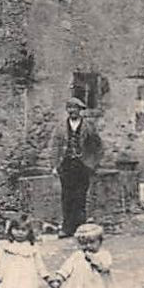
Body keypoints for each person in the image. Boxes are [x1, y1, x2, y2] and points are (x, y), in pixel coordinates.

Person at [52, 97, 103, 238]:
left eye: (75, 108)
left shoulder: (89, 126)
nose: (72, 110)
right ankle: (67, 228)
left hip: (83, 165)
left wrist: (93, 164)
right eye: (69, 108)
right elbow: (55, 147)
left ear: (80, 110)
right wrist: (54, 166)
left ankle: (80, 228)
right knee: (67, 197)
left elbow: (98, 146)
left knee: (80, 197)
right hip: (66, 164)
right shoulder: (60, 127)